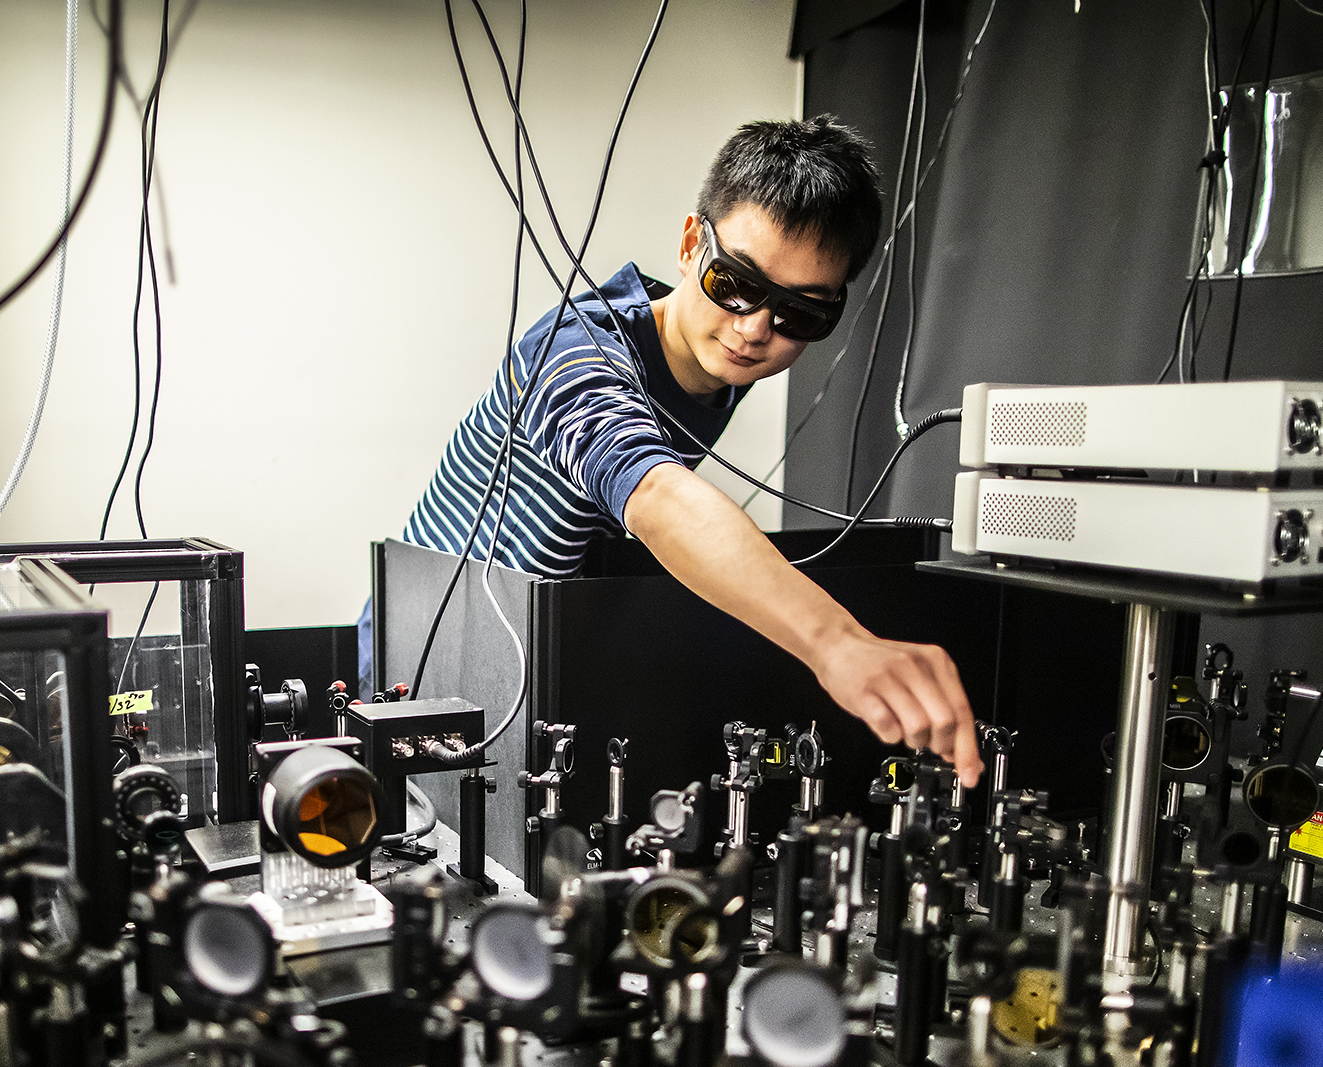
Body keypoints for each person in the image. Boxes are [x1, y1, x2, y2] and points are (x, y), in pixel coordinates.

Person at [368, 115, 983, 784]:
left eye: (800, 314)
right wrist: (838, 644)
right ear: (692, 244)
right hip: (422, 674)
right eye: (736, 283)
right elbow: (654, 493)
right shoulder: (574, 352)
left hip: (529, 666)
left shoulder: (714, 366)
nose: (754, 330)